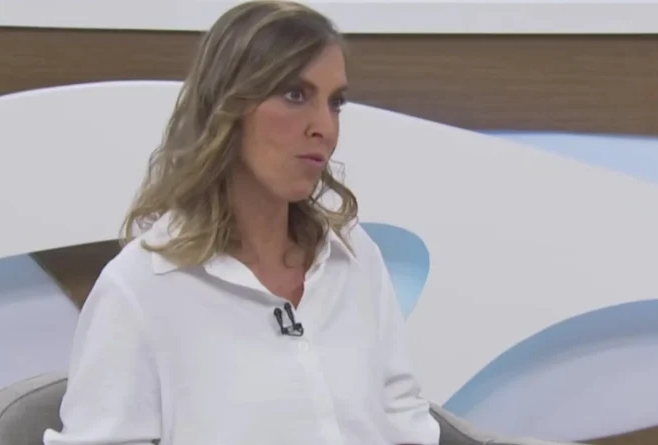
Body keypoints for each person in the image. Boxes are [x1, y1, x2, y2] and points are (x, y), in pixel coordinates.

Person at [43, 1, 441, 444]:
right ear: (227, 106)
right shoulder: (140, 288)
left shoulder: (354, 255)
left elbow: (404, 418)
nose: (325, 128)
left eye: (335, 103)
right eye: (295, 95)